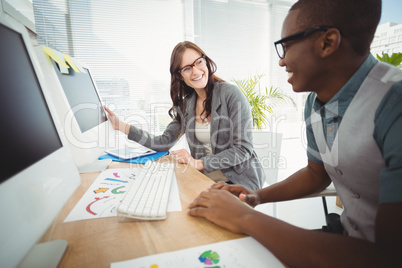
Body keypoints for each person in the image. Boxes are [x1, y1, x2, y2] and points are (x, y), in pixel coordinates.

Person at [188, 0, 402, 266]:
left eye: (286, 46)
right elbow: (317, 173)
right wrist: (257, 196)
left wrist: (244, 218)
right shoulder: (315, 103)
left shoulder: (394, 104)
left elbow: (389, 257)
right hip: (346, 236)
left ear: (328, 42)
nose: (281, 60)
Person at [105, 41, 264, 190]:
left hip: (238, 181)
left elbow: (243, 149)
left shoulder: (230, 94)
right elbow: (164, 142)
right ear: (180, 76)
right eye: (187, 68)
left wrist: (199, 163)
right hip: (207, 180)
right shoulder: (187, 103)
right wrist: (122, 127)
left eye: (198, 62)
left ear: (206, 62)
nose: (196, 71)